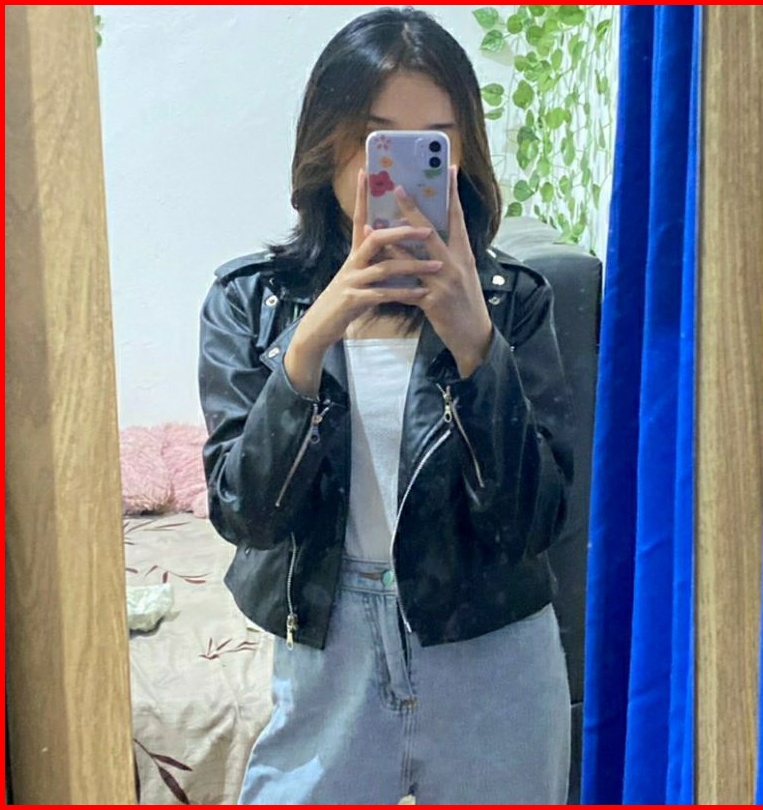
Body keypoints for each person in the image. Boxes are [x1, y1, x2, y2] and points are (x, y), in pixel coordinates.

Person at [199, 7, 574, 805]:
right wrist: (310, 341)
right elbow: (246, 515)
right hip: (329, 648)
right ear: (329, 144)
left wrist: (476, 345)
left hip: (493, 652)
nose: (400, 176)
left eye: (431, 144)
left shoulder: (514, 303)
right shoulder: (250, 303)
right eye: (378, 141)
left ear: (462, 157)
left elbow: (531, 525)